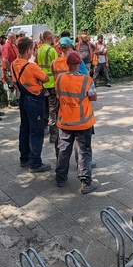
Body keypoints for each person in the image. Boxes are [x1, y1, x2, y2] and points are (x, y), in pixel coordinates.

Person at [54, 51, 100, 194]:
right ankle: (86, 183)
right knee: (84, 151)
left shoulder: (60, 79)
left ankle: (60, 178)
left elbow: (58, 95)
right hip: (83, 122)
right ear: (80, 64)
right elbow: (93, 98)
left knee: (63, 150)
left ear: (67, 64)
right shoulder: (87, 80)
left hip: (65, 122)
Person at [12, 37, 51, 173]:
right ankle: (35, 163)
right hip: (34, 101)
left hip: (23, 98)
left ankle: (24, 158)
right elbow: (45, 78)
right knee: (36, 131)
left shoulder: (14, 64)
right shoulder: (31, 66)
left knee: (25, 128)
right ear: (28, 50)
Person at [36, 30, 59, 143]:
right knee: (53, 109)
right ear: (50, 37)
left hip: (42, 83)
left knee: (44, 108)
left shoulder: (39, 50)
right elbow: (56, 67)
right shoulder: (52, 50)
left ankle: (43, 129)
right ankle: (54, 135)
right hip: (51, 84)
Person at [1, 33, 20, 107]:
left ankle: (17, 99)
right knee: (11, 84)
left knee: (17, 84)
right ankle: (11, 100)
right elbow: (5, 59)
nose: (15, 40)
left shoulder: (14, 45)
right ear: (10, 38)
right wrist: (10, 69)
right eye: (14, 38)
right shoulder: (7, 47)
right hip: (9, 69)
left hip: (15, 68)